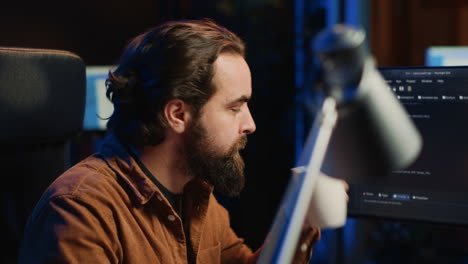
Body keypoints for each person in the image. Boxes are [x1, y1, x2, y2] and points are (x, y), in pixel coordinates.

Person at [18, 19, 321, 263]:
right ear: (177, 114)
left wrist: (298, 222)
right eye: (234, 108)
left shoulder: (196, 194)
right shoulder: (80, 211)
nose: (250, 124)